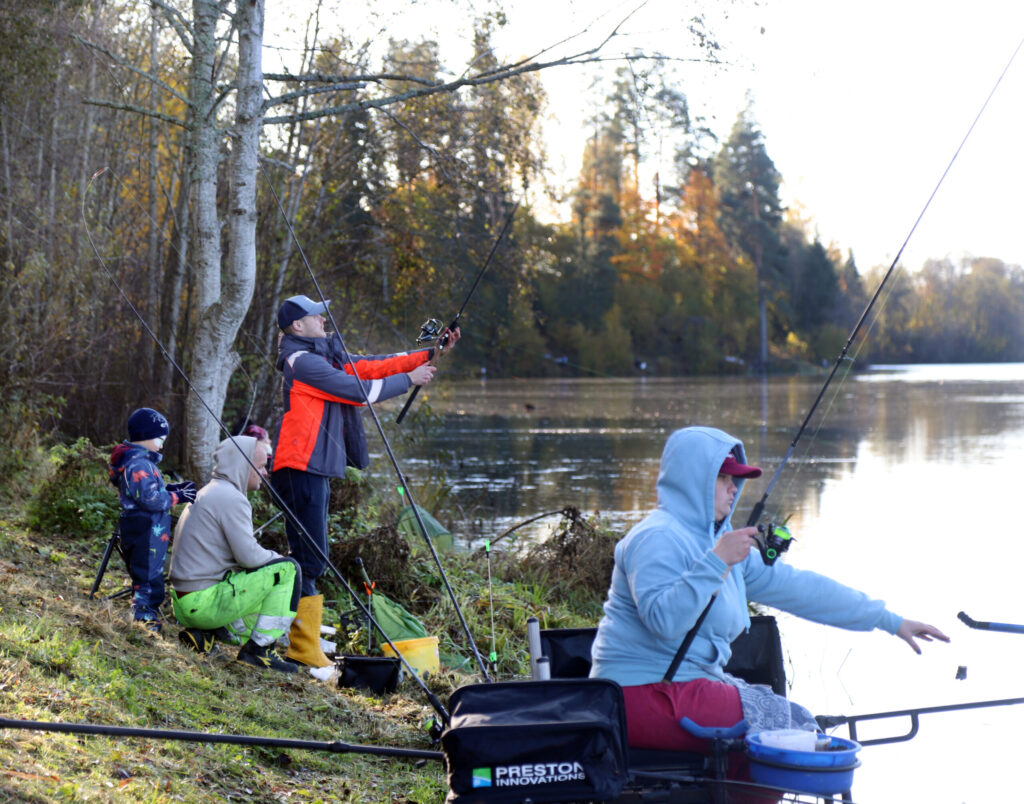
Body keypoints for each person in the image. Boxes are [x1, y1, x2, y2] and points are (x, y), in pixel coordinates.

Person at [589, 426, 949, 793]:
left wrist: (889, 620)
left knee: (789, 726)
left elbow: (803, 590)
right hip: (637, 696)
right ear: (692, 479)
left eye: (736, 479)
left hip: (688, 688)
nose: (734, 487)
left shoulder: (720, 543)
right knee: (783, 734)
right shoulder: (657, 538)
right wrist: (717, 562)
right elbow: (663, 620)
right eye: (724, 477)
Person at [270, 294, 459, 674]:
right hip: (299, 467)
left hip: (312, 468)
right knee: (309, 557)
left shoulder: (323, 354)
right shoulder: (303, 362)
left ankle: (302, 638)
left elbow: (371, 367)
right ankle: (300, 645)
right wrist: (409, 381)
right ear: (297, 327)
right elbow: (359, 392)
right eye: (316, 316)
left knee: (313, 555)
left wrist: (428, 354)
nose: (325, 320)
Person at [168, 435, 301, 674]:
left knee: (262, 584)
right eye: (260, 466)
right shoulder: (231, 498)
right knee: (287, 570)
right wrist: (277, 558)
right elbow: (249, 557)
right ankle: (260, 651)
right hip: (202, 603)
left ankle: (205, 635)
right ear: (243, 465)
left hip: (184, 603)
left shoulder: (211, 491)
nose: (265, 472)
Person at [108, 407, 196, 631]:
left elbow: (148, 492)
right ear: (145, 437)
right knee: (147, 574)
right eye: (159, 439)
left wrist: (172, 489)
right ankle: (144, 617)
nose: (162, 445)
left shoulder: (139, 462)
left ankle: (148, 612)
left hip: (148, 527)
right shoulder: (139, 464)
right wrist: (178, 496)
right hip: (146, 527)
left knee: (150, 570)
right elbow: (150, 499)